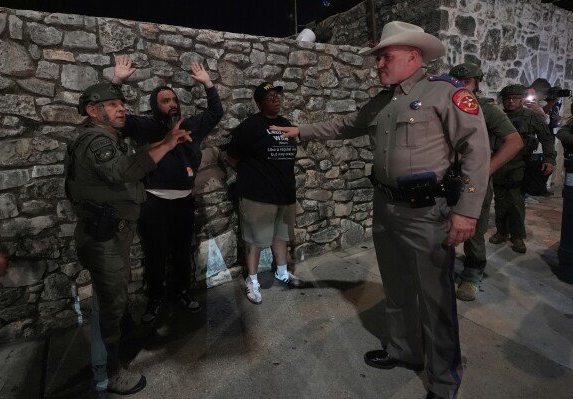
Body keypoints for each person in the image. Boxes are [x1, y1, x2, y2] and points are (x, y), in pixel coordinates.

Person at [273, 21, 490, 399]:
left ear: (413, 55)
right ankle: (405, 350)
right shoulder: (384, 101)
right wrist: (300, 131)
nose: (378, 64)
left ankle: (444, 379)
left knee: (436, 298)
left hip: (427, 212)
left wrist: (467, 212)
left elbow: (477, 151)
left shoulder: (445, 94)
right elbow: (347, 124)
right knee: (397, 285)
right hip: (386, 206)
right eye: (377, 59)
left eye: (385, 56)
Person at [65, 82, 191, 395]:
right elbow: (121, 170)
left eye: (122, 104)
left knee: (111, 298)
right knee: (109, 305)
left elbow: (127, 163)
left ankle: (121, 340)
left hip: (111, 233)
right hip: (102, 238)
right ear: (94, 111)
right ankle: (107, 374)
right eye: (112, 105)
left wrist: (160, 143)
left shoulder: (110, 137)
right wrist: (165, 146)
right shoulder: (95, 140)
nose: (122, 108)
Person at [112, 56, 223, 322]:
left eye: (173, 100)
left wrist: (208, 84)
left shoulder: (191, 126)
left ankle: (183, 292)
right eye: (165, 101)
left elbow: (215, 113)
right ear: (155, 106)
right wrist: (116, 82)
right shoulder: (146, 127)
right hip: (155, 202)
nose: (172, 104)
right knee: (155, 253)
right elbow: (117, 121)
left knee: (183, 250)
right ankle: (155, 299)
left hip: (183, 201)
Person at [448, 63, 523, 301]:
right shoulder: (447, 105)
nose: (461, 87)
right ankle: (441, 269)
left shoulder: (486, 110)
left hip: (473, 181)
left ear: (476, 83)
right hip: (445, 179)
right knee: (441, 228)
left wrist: (486, 171)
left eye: (467, 82)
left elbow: (514, 141)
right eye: (457, 82)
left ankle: (472, 274)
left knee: (473, 231)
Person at [226, 82, 302, 305]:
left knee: (281, 236)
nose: (276, 99)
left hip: (284, 193)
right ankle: (252, 280)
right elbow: (232, 158)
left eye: (277, 95)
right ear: (259, 104)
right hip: (257, 196)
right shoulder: (249, 127)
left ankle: (281, 272)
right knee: (254, 240)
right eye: (269, 97)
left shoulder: (286, 124)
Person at [490, 84, 556, 254]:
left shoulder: (531, 117)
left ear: (521, 99)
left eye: (515, 98)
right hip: (498, 164)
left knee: (516, 202)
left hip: (520, 164)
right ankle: (502, 232)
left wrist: (550, 159)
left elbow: (547, 138)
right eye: (507, 99)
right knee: (500, 200)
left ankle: (517, 236)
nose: (511, 102)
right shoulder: (498, 117)